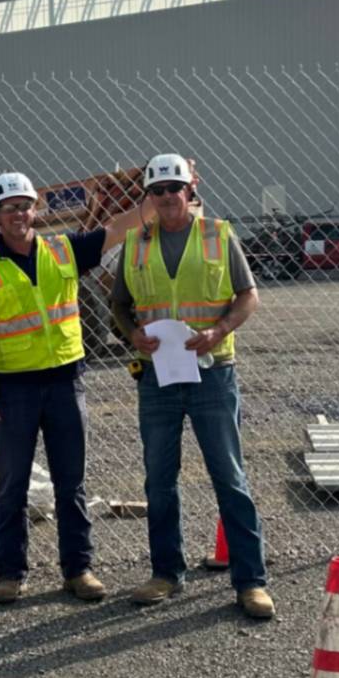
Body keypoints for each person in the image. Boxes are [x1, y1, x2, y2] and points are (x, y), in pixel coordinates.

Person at [0, 171, 151, 606]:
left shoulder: (64, 250)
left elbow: (119, 227)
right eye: (9, 208)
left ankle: (79, 570)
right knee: (12, 485)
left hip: (66, 382)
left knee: (72, 482)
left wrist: (161, 195)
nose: (19, 214)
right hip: (15, 391)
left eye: (25, 205)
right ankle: (10, 574)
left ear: (36, 210)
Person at [112, 153, 272, 620]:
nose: (166, 198)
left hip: (212, 375)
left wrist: (219, 331)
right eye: (157, 191)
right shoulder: (135, 245)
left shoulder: (218, 235)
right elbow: (119, 305)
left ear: (191, 189)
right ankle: (166, 573)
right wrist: (131, 334)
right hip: (158, 378)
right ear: (148, 197)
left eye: (174, 188)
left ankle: (251, 581)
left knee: (230, 477)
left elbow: (248, 295)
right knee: (159, 481)